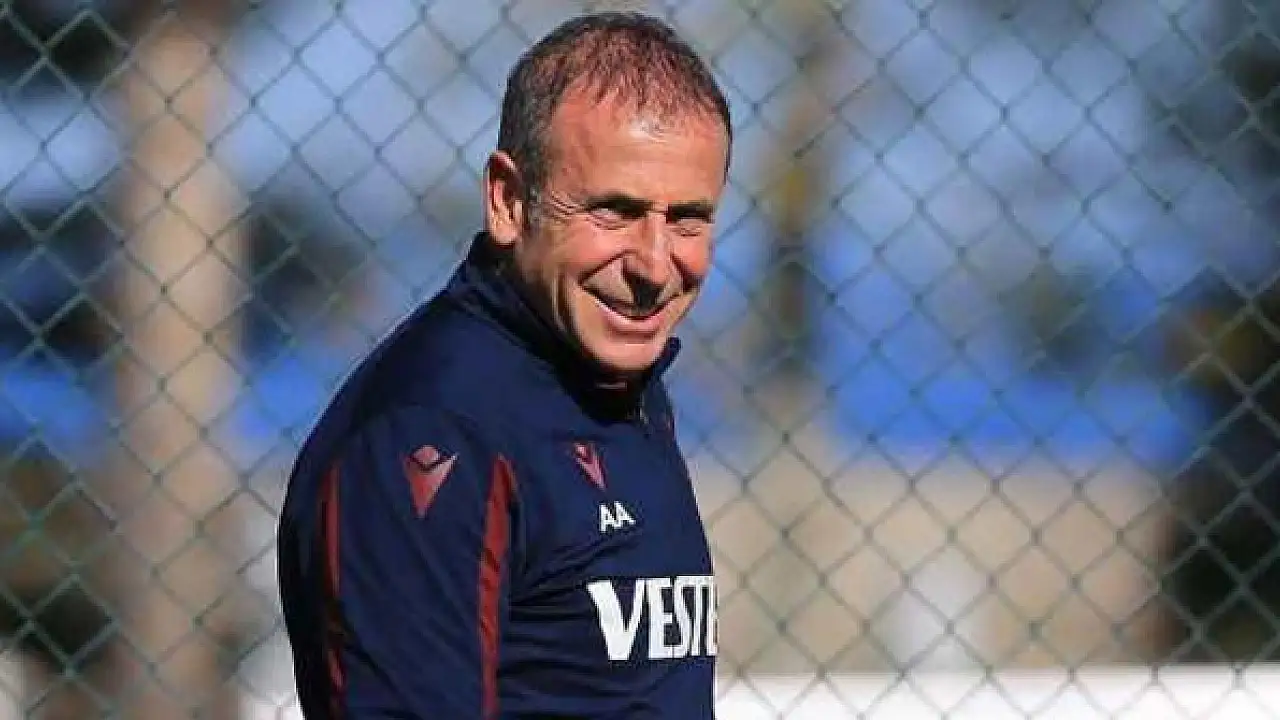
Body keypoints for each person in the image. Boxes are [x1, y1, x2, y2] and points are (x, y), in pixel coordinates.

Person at [276, 11, 733, 718]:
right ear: (509, 201)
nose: (653, 265)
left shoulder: (615, 380)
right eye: (614, 212)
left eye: (687, 220)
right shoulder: (432, 432)